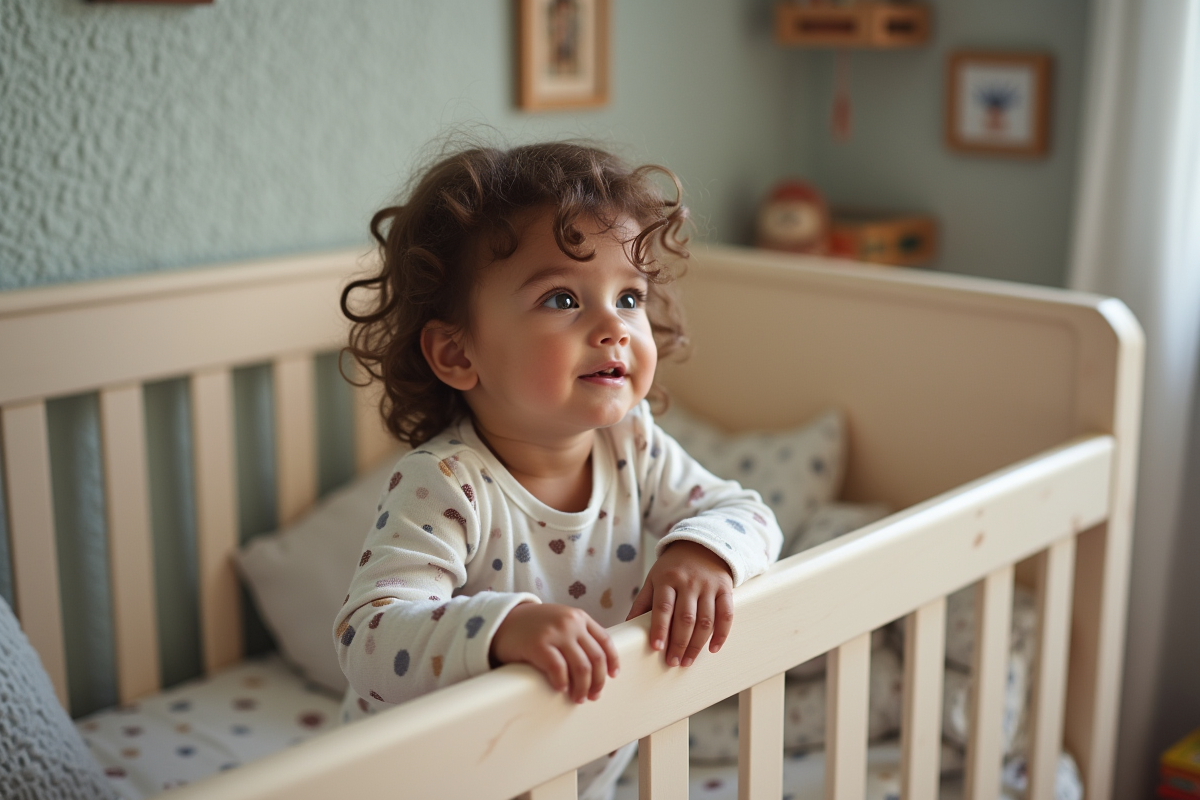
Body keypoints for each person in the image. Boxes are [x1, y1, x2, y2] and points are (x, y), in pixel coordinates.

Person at [334, 141, 782, 798]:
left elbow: (746, 512)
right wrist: (502, 627)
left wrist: (701, 552)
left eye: (630, 296)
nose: (614, 326)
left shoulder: (633, 445)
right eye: (563, 301)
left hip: (563, 774)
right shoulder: (448, 483)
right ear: (458, 352)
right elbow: (368, 634)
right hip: (422, 783)